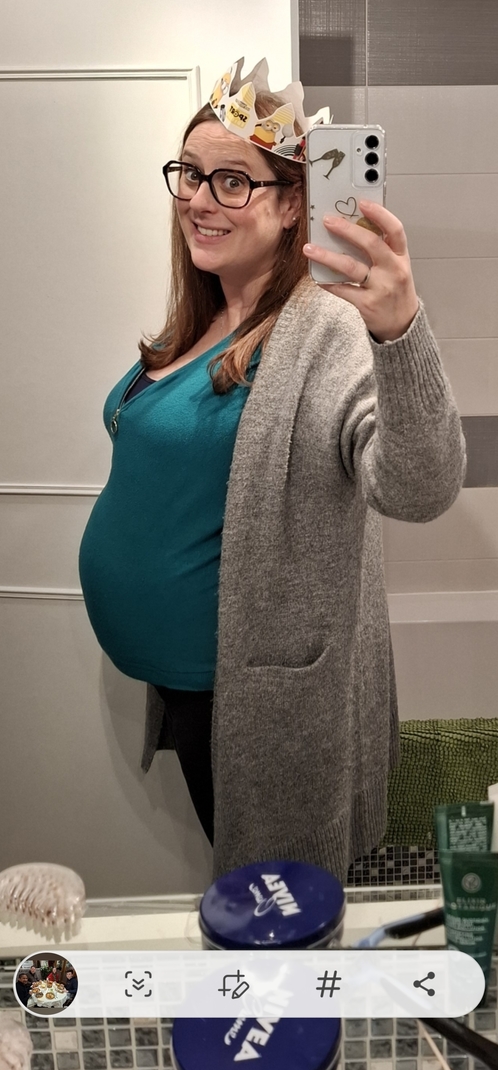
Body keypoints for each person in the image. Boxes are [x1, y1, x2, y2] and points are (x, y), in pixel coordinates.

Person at [79, 57, 465, 884]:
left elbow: (420, 488)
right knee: (248, 896)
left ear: (294, 204)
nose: (198, 199)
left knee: (274, 909)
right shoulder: (206, 315)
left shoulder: (326, 329)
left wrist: (400, 330)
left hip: (258, 705)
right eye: (190, 174)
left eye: (232, 181)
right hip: (193, 692)